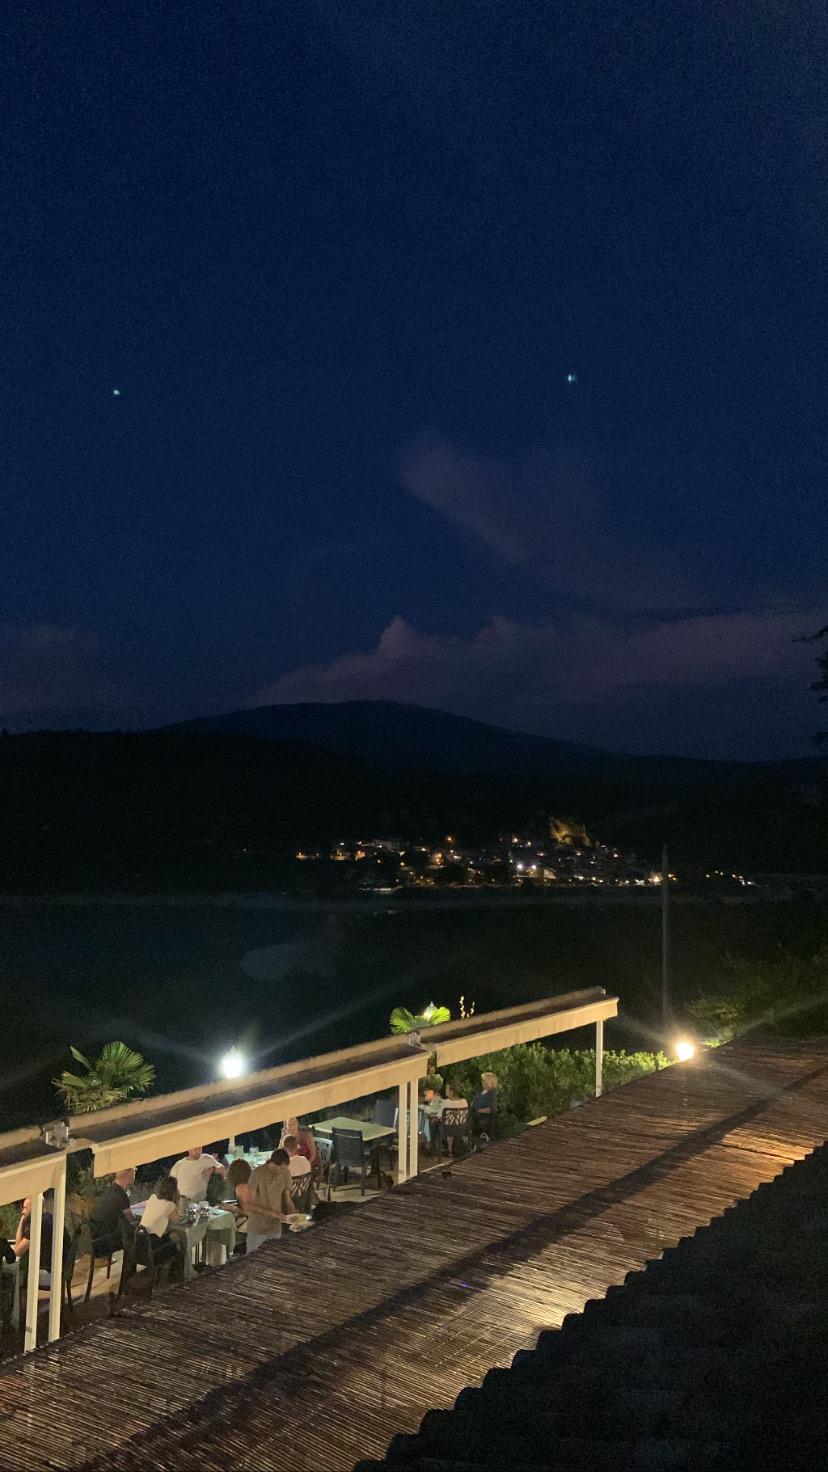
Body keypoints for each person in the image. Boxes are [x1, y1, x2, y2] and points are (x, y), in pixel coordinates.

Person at [245, 1149, 294, 1253]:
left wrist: (294, 1217)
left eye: (285, 1169)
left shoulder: (286, 1173)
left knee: (273, 1258)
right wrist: (273, 1213)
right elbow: (249, 1205)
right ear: (273, 1164)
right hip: (258, 1226)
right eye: (281, 1169)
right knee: (253, 1259)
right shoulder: (258, 1173)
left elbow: (288, 1199)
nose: (283, 1171)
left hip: (275, 1226)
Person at [139, 1176, 184, 1272]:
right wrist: (177, 1200)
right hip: (154, 1244)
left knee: (170, 1234)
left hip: (140, 1241)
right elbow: (177, 1221)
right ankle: (174, 1272)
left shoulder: (152, 1197)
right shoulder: (170, 1205)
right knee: (180, 1236)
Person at [89, 1168, 136, 1256]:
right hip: (108, 1241)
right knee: (134, 1234)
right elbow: (131, 1220)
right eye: (134, 1173)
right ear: (127, 1175)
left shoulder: (109, 1190)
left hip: (96, 1239)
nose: (134, 1176)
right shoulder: (121, 1195)